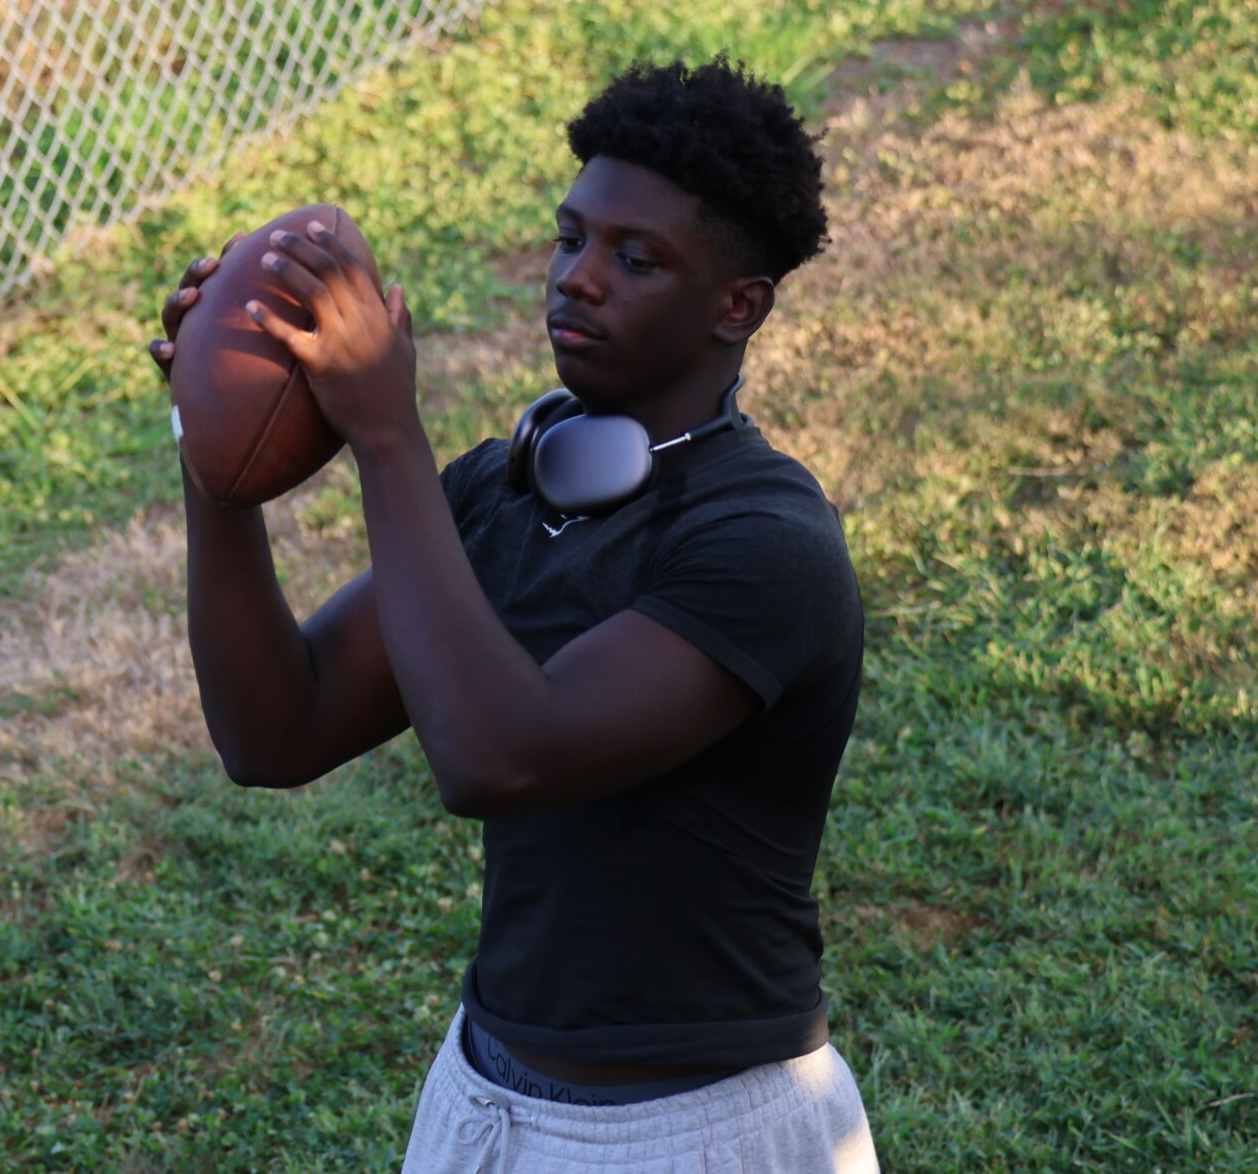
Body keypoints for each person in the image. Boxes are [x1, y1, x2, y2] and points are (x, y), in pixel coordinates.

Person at [151, 57, 876, 1172]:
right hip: (484, 1095)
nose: (576, 278)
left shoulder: (765, 544)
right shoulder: (503, 492)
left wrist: (387, 434)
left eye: (634, 258)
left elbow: (499, 756)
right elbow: (275, 734)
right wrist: (215, 456)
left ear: (739, 304)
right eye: (569, 237)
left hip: (697, 1125)